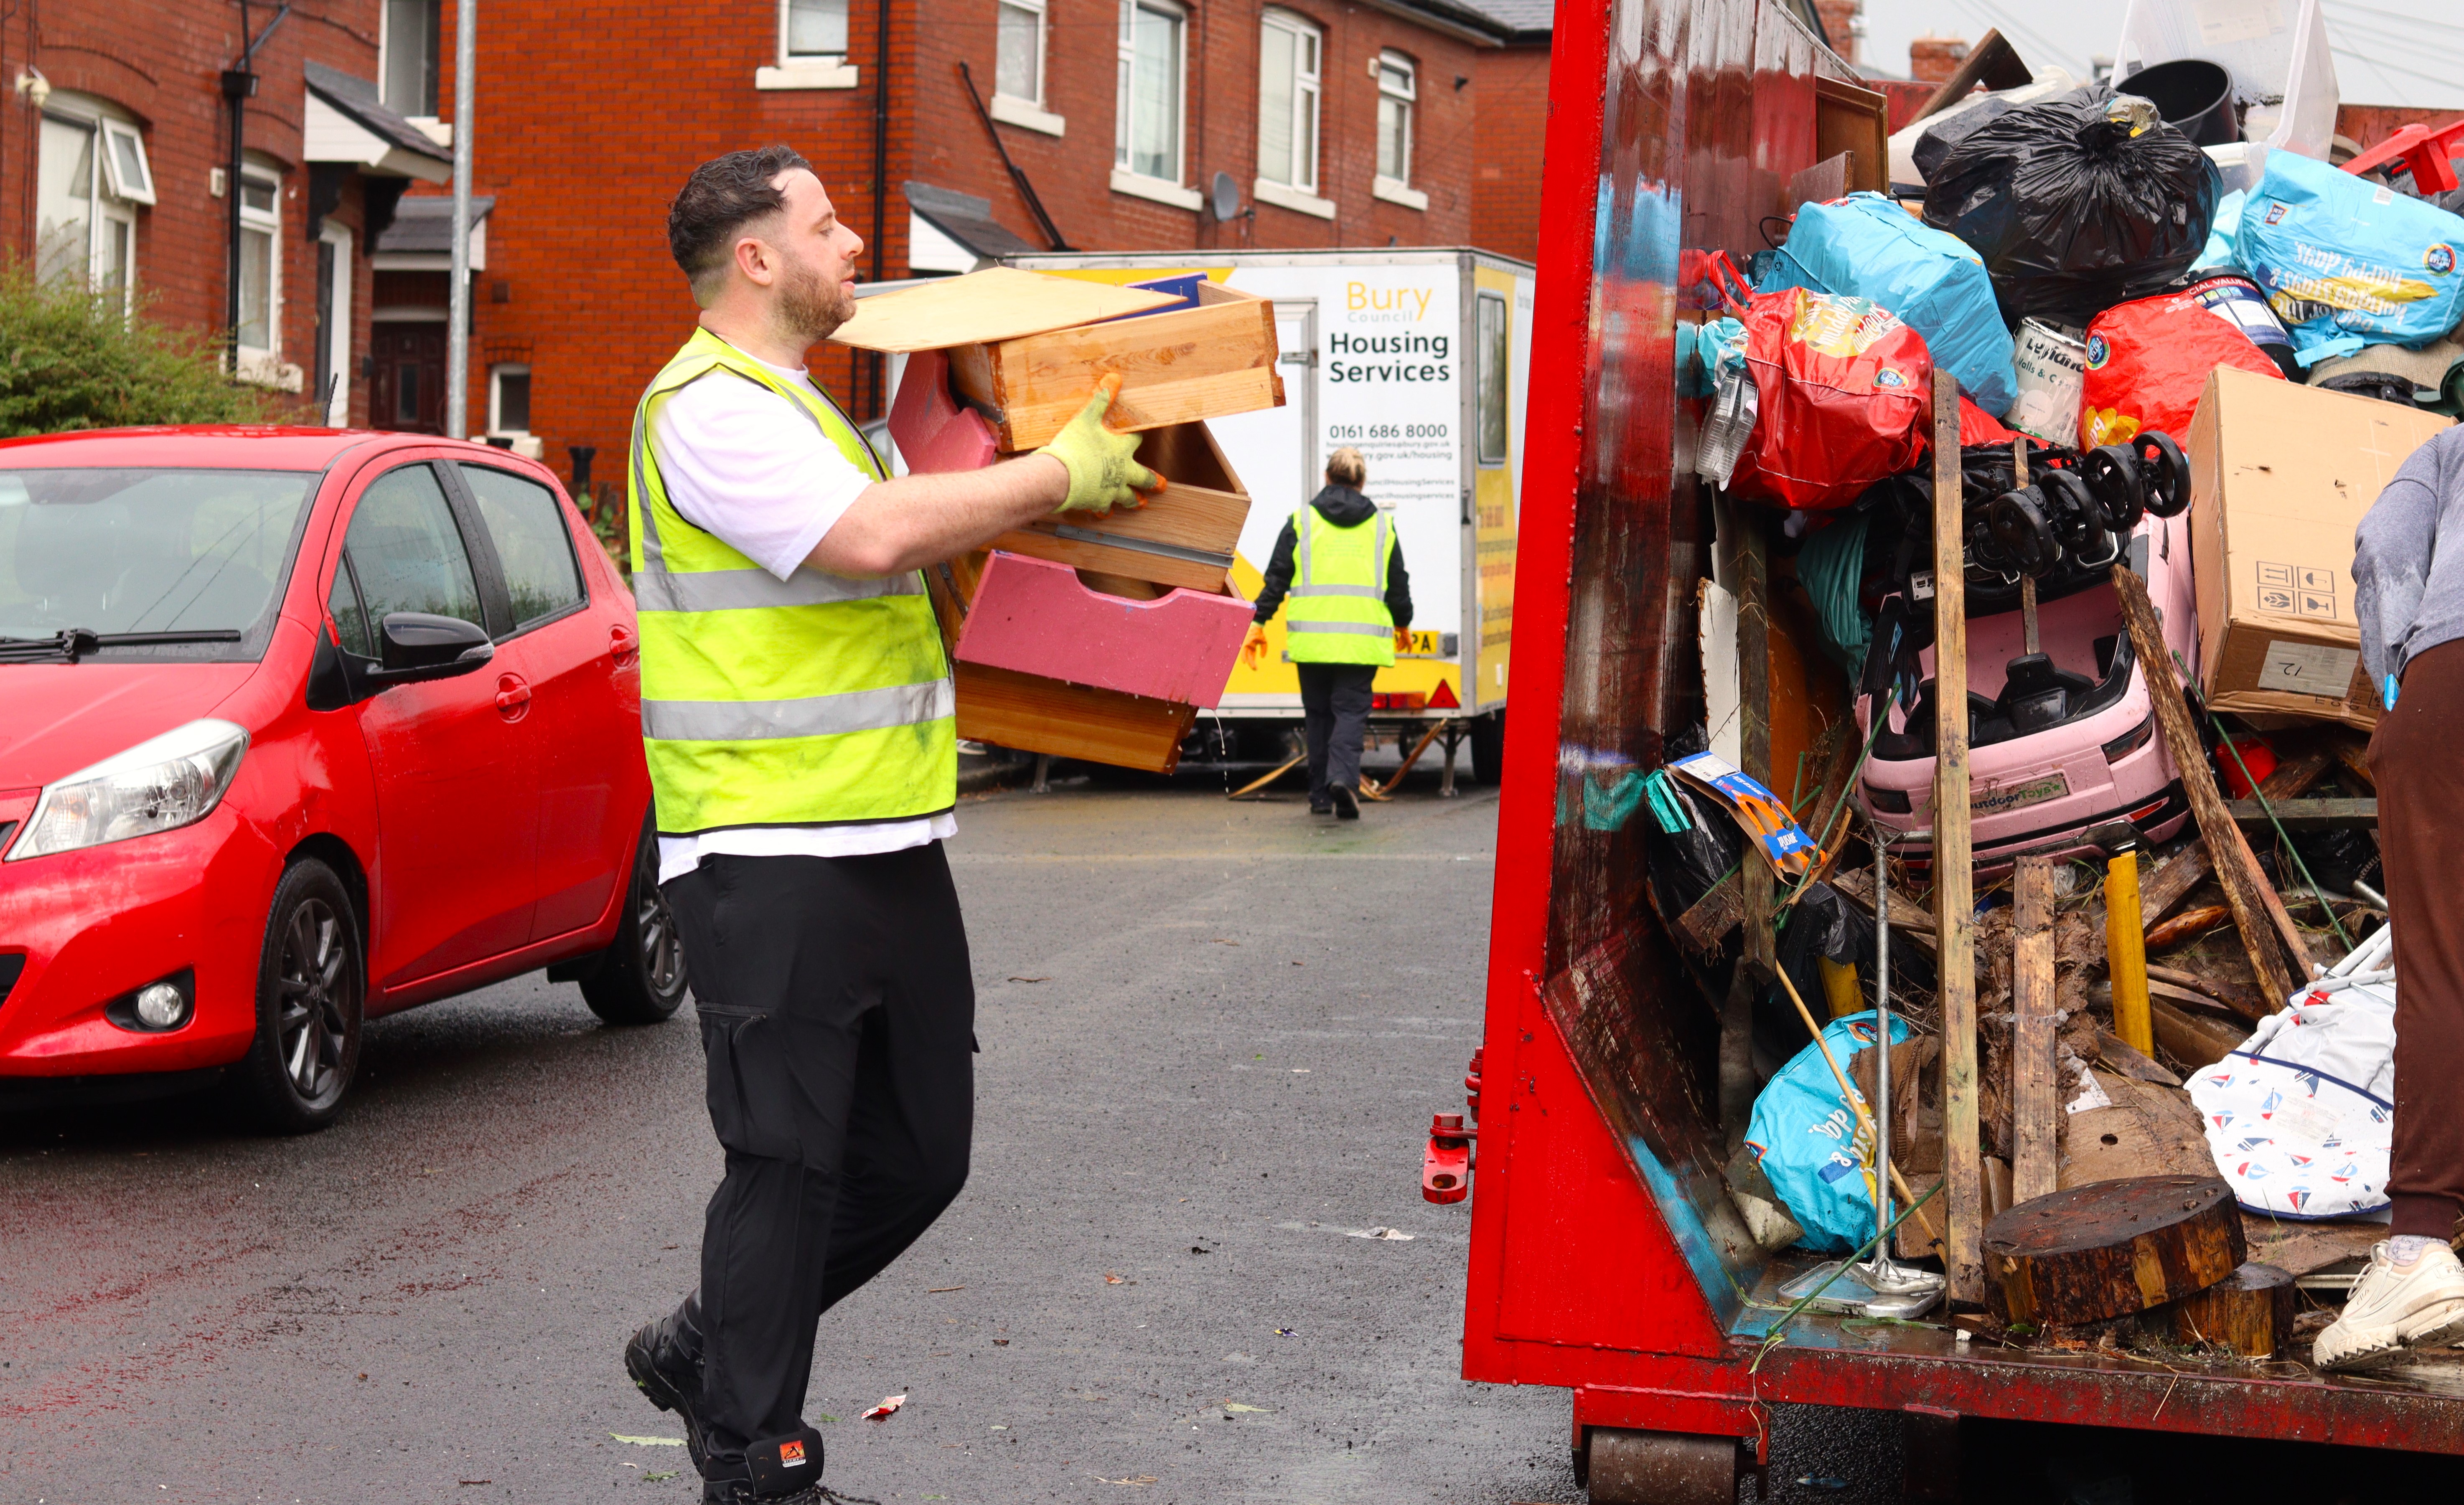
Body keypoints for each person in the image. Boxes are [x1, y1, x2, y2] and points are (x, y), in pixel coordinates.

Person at [618, 145, 1160, 1502]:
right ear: (756, 257)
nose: (854, 242)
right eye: (825, 224)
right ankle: (755, 1460)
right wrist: (1052, 475)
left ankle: (707, 1348)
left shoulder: (805, 409)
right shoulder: (705, 406)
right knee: (786, 1159)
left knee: (921, 1155)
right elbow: (865, 541)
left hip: (883, 843)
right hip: (763, 853)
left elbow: (891, 567)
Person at [2319, 424, 2464, 1372]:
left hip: (2453, 672)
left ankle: (2418, 1242)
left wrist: (2393, 675)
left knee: (2443, 962)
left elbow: (2382, 546)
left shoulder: (2451, 448)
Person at [1242, 447, 1413, 818]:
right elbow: (1398, 585)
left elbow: (1275, 580)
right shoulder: (1382, 526)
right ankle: (1342, 780)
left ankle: (1320, 796)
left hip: (1313, 642)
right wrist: (1403, 622)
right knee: (1349, 715)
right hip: (1360, 644)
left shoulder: (1301, 522)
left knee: (1318, 717)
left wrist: (1258, 622)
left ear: (1327, 477)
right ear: (1362, 482)